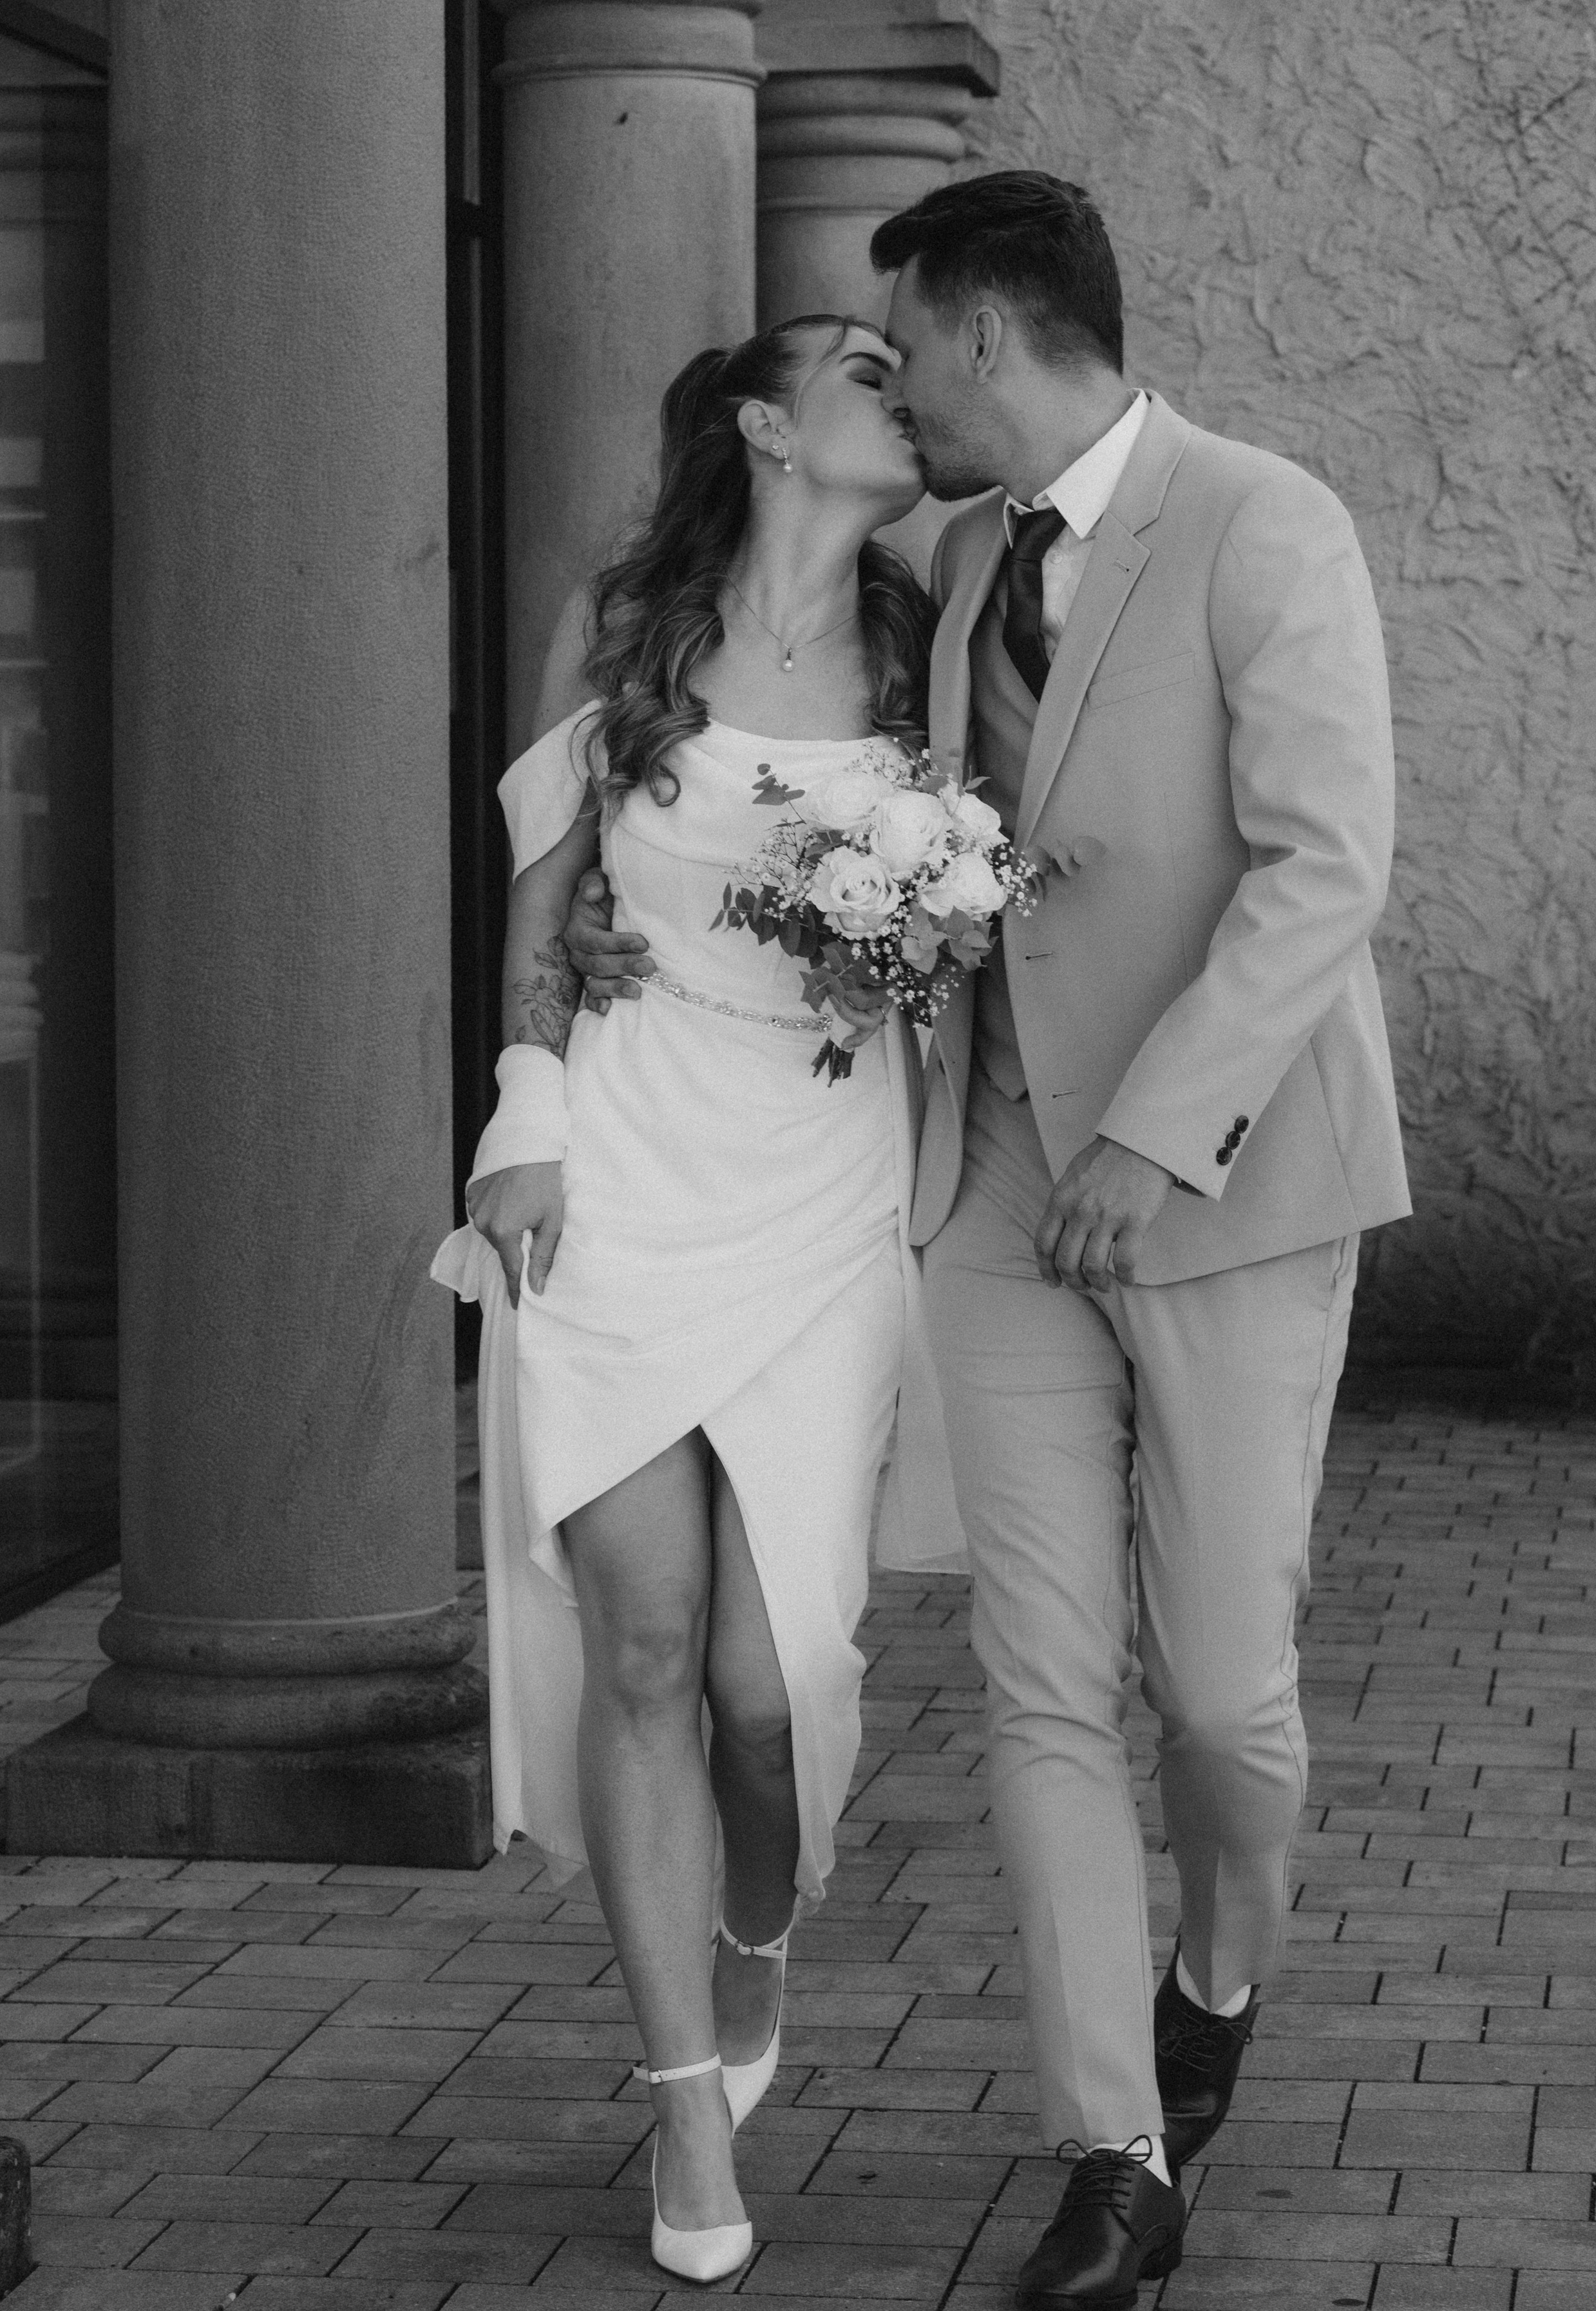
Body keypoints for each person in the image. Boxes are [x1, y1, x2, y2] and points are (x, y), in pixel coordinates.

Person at [566, 171, 1411, 2311]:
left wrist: (1163, 1130)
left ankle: (1217, 1980)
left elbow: (1329, 866)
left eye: (905, 345)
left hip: (1231, 1190)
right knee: (1045, 1689)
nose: (897, 383)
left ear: (995, 336)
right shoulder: (945, 564)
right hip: (998, 1194)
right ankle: (1113, 2154)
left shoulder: (1264, 523)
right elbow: (735, 666)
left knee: (1221, 1703)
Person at [432, 314, 962, 2287]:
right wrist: (527, 1112)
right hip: (624, 1178)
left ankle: (758, 1934)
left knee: (770, 1679)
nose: (900, 389)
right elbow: (548, 896)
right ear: (765, 422)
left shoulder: (928, 639)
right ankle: (680, 2108)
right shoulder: (628, 623)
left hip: (825, 1194)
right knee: (643, 1647)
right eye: (861, 366)